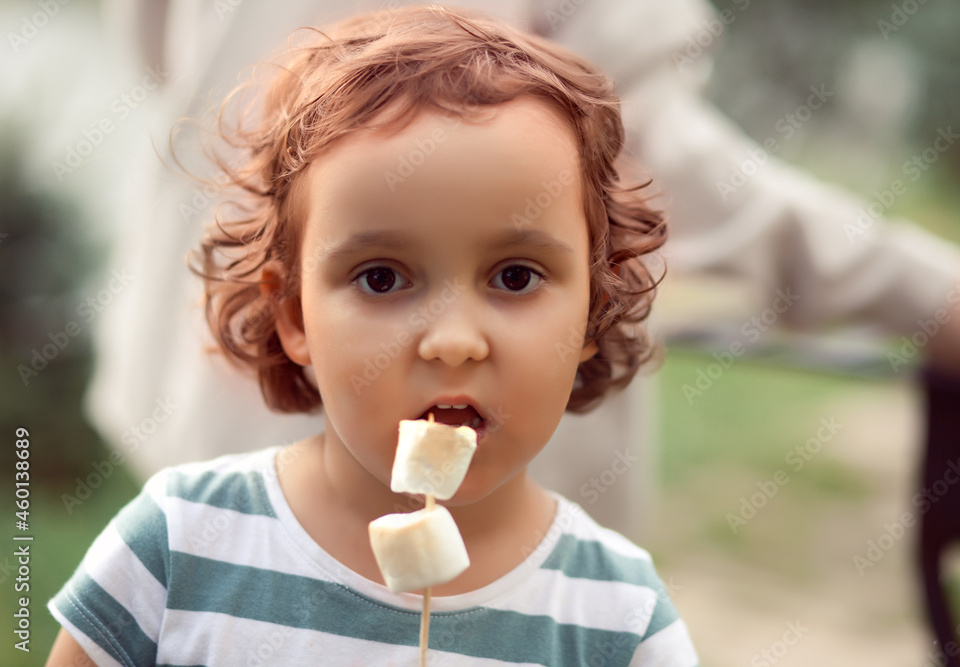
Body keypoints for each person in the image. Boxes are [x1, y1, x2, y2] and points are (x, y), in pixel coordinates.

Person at [46, 7, 699, 665]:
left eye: (515, 275)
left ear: (594, 306)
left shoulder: (621, 617)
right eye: (382, 278)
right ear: (296, 315)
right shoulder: (174, 548)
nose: (452, 340)